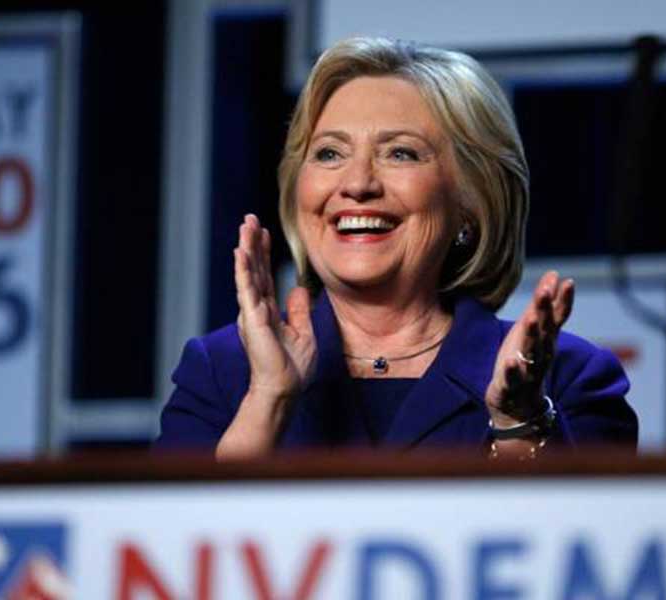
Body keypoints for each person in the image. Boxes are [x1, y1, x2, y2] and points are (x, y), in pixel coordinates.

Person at [155, 37, 637, 459]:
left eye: (400, 153)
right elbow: (181, 534)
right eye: (329, 153)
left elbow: (577, 534)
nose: (357, 184)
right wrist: (268, 398)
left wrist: (518, 422)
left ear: (470, 203)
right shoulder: (220, 371)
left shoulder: (570, 377)